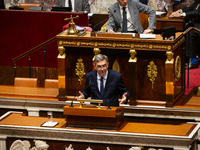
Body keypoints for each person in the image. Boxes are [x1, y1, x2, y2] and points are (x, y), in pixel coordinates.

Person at [169, 0, 200, 69]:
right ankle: (186, 59)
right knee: (186, 31)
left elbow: (198, 12)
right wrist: (180, 10)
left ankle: (193, 61)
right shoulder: (198, 1)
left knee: (191, 33)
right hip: (196, 26)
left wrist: (182, 14)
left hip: (198, 27)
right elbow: (190, 8)